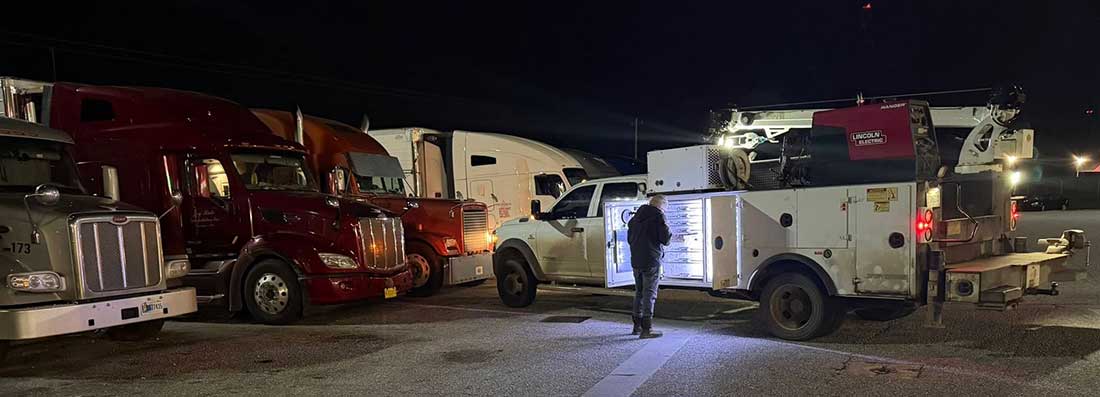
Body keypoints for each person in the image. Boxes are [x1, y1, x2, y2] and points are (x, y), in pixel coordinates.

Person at [627, 194, 672, 339]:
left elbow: (629, 239)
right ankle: (647, 329)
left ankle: (636, 327)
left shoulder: (634, 219)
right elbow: (665, 239)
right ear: (661, 206)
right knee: (649, 294)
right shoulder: (658, 217)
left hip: (636, 261)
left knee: (639, 292)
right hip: (651, 261)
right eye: (665, 208)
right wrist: (667, 227)